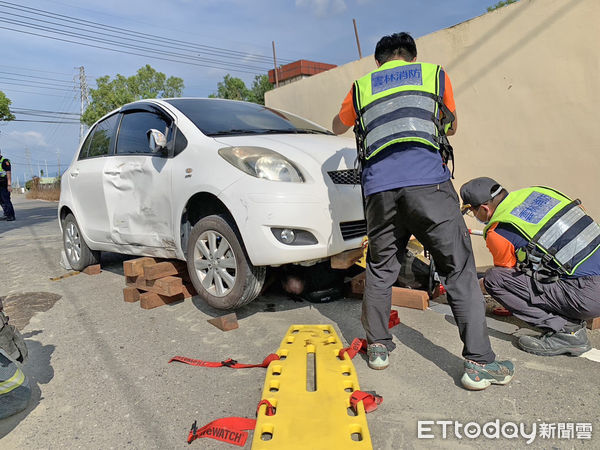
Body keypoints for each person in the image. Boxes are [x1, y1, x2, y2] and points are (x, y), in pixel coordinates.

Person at [331, 32, 514, 390]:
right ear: (410, 58)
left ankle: (378, 348)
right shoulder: (433, 75)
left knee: (381, 269)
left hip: (379, 191)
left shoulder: (360, 87)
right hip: (429, 185)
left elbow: (338, 125)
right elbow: (452, 126)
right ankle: (479, 363)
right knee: (458, 269)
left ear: (379, 61)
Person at [460, 177, 600, 356]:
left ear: (484, 209)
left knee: (494, 279)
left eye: (472, 212)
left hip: (589, 296)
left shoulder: (498, 230)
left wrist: (473, 288)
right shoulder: (540, 193)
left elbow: (506, 274)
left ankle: (567, 331)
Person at [0, 148, 15, 221]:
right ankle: (6, 214)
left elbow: (8, 173)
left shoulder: (4, 161)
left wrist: (9, 185)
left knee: (6, 200)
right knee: (1, 201)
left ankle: (11, 215)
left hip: (4, 184)